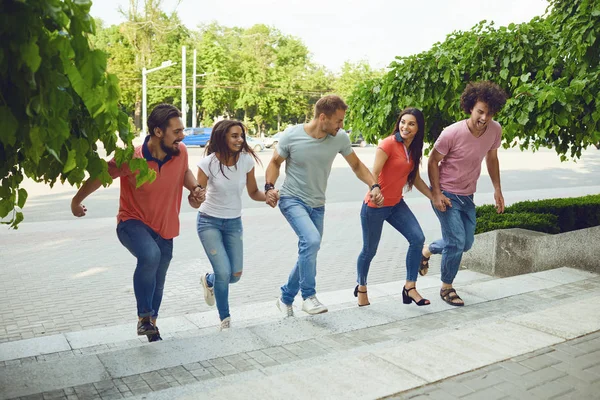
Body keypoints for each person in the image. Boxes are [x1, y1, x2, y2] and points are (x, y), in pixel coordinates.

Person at [71, 104, 205, 342]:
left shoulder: (180, 151)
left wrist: (195, 188)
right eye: (177, 131)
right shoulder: (132, 157)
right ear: (158, 132)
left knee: (159, 278)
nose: (182, 136)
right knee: (150, 256)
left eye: (182, 131)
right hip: (132, 223)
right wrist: (76, 201)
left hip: (165, 227)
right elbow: (101, 176)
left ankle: (151, 326)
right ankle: (144, 317)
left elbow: (184, 172)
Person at [264, 95, 383, 317]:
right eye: (338, 121)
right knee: (311, 241)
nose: (341, 126)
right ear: (322, 117)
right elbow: (274, 163)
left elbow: (357, 165)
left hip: (318, 204)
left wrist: (374, 185)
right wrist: (269, 187)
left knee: (310, 248)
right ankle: (308, 296)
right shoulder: (292, 135)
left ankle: (285, 297)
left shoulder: (340, 138)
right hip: (291, 199)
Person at [423, 81, 508, 306]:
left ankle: (427, 250)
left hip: (468, 195)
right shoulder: (452, 133)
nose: (484, 118)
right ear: (471, 107)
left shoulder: (495, 130)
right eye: (480, 111)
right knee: (457, 241)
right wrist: (436, 194)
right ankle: (446, 287)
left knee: (465, 243)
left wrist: (497, 189)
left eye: (489, 113)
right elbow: (433, 161)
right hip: (447, 194)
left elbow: (492, 158)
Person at [355, 108, 433, 307]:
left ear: (418, 128)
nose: (405, 127)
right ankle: (361, 287)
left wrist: (435, 196)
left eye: (411, 124)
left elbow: (414, 178)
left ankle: (410, 287)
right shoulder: (388, 144)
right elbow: (374, 172)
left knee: (417, 238)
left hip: (396, 204)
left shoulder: (413, 149)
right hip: (375, 206)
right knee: (369, 251)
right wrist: (375, 189)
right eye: (403, 122)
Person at [195, 120, 269, 331]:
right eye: (234, 136)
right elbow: (197, 197)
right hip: (209, 221)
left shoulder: (246, 161)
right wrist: (196, 196)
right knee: (224, 271)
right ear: (222, 137)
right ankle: (225, 319)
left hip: (234, 223)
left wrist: (271, 197)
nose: (240, 140)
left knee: (234, 275)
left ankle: (208, 279)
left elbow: (254, 193)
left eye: (241, 136)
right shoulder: (207, 163)